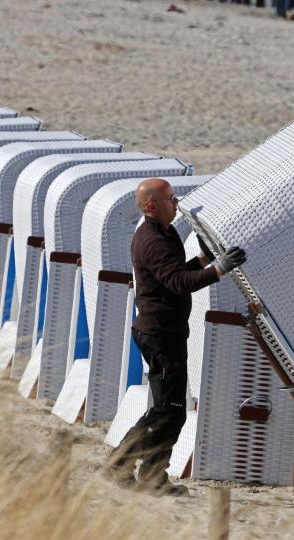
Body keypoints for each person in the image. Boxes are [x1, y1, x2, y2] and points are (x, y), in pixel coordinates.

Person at [103, 178, 246, 496]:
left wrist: (203, 260)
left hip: (164, 332)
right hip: (159, 335)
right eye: (170, 198)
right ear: (152, 206)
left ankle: (134, 470)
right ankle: (134, 470)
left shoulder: (163, 231)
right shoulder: (152, 240)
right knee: (169, 410)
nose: (176, 201)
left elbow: (173, 273)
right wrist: (218, 269)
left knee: (167, 409)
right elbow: (179, 283)